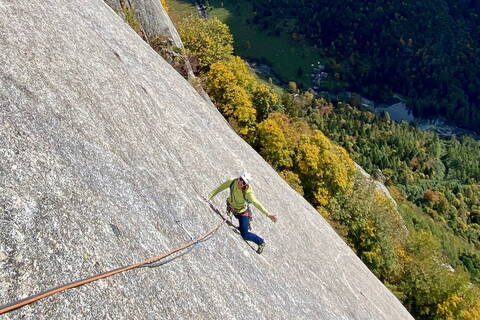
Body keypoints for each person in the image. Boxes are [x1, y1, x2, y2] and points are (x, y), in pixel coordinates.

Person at [206, 172, 277, 254]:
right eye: (240, 179)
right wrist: (209, 197)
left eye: (243, 182)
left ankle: (261, 242)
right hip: (232, 207)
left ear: (245, 185)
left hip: (242, 212)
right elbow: (220, 188)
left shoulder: (248, 193)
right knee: (240, 223)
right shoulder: (232, 182)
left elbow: (257, 203)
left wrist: (268, 214)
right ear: (239, 177)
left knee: (245, 235)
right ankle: (243, 223)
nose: (240, 182)